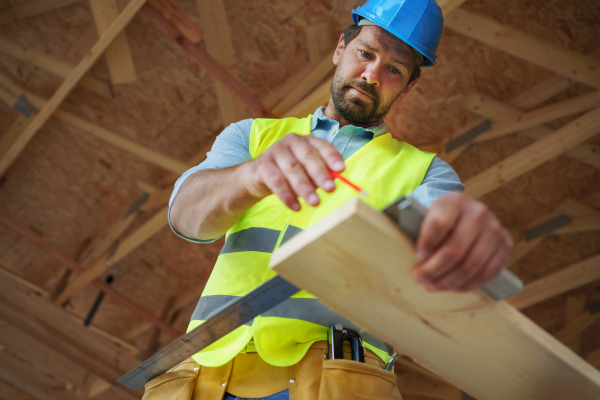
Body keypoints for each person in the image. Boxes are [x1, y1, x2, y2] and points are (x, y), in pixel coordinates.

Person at [151, 0, 514, 399]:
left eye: (394, 69)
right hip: (208, 371)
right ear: (340, 49)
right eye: (366, 52)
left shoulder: (427, 173)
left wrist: (458, 245)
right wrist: (249, 177)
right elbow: (186, 218)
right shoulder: (251, 136)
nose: (372, 74)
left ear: (408, 87)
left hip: (335, 377)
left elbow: (435, 258)